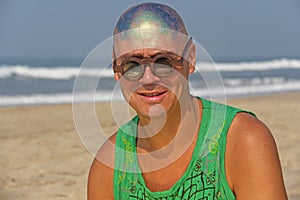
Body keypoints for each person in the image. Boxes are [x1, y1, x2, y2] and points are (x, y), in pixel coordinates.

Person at [88, 2, 287, 199]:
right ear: (116, 68)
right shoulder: (109, 164)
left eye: (163, 61)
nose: (148, 79)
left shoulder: (242, 140)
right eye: (132, 65)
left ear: (190, 58)